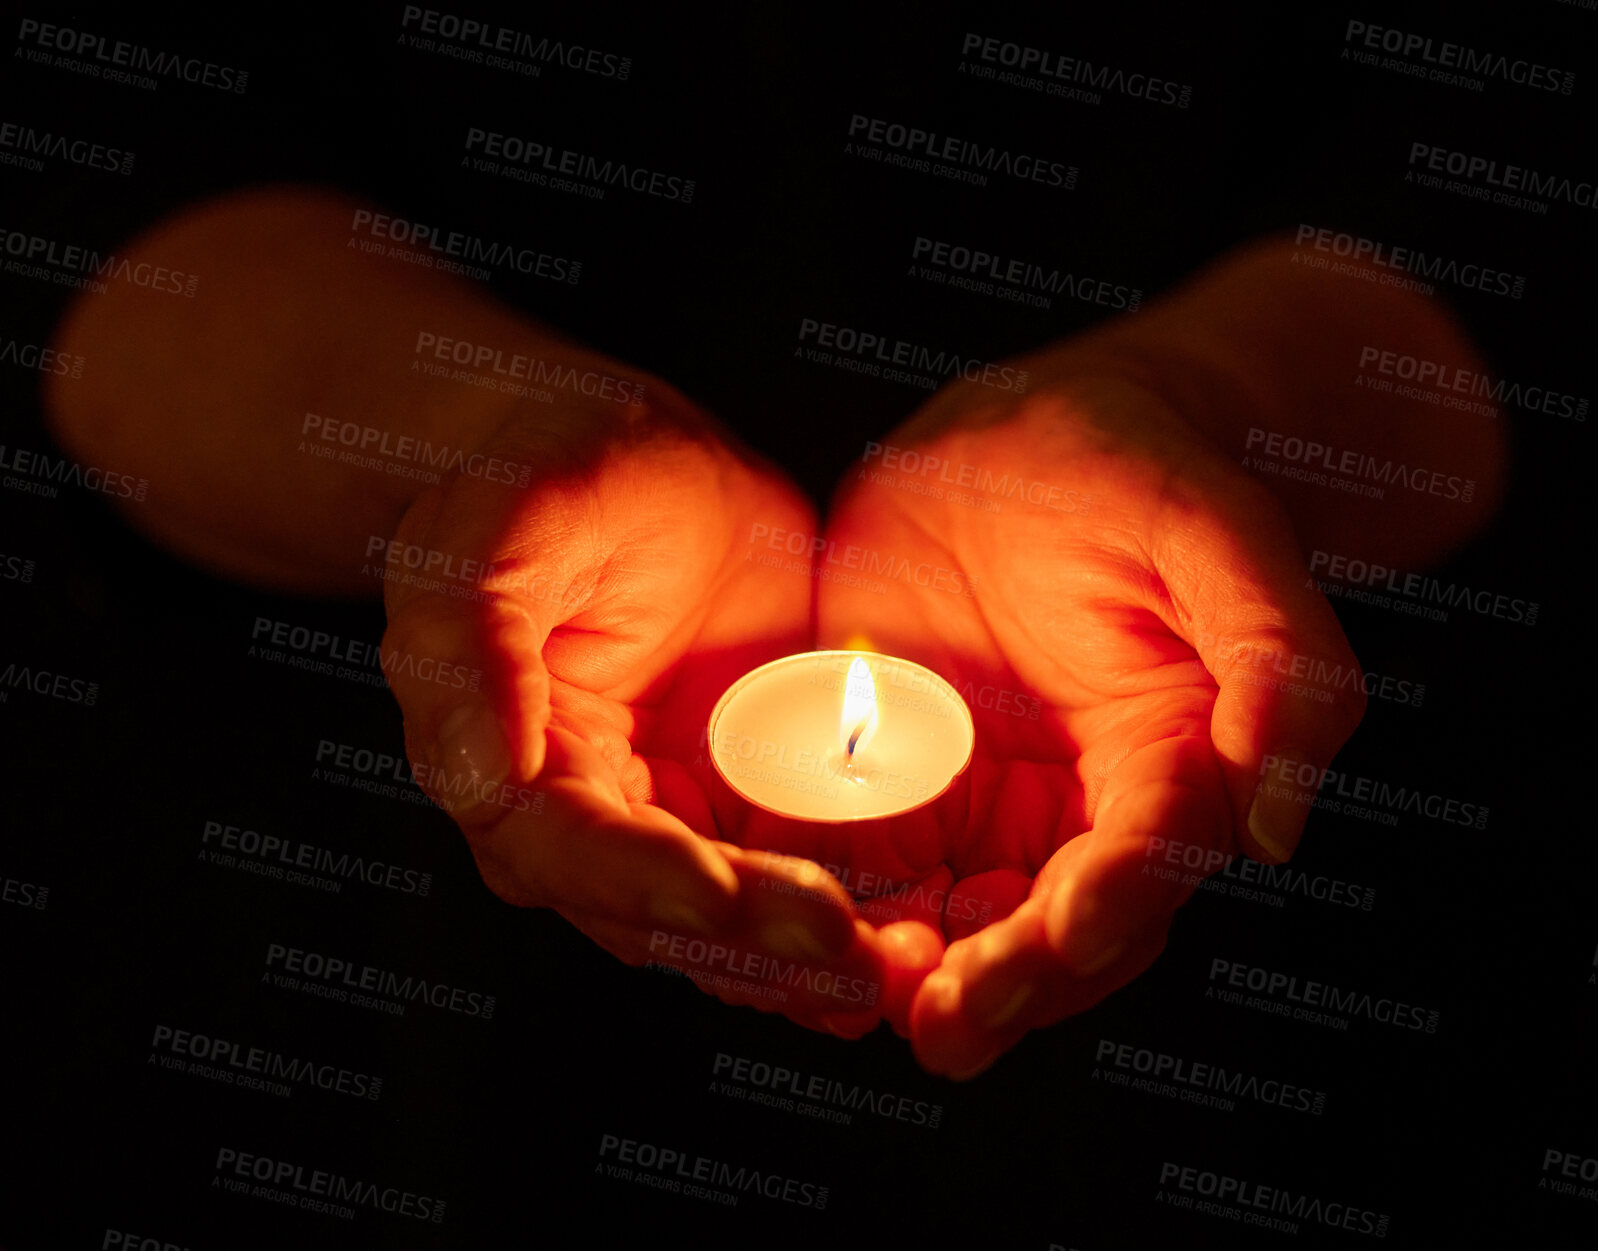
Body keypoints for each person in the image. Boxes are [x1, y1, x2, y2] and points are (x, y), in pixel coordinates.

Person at [43, 186, 1505, 1079]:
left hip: (1288, 1038)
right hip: (382, 997)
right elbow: (115, 268)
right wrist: (481, 439)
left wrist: (1209, 405)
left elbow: (1481, 271)